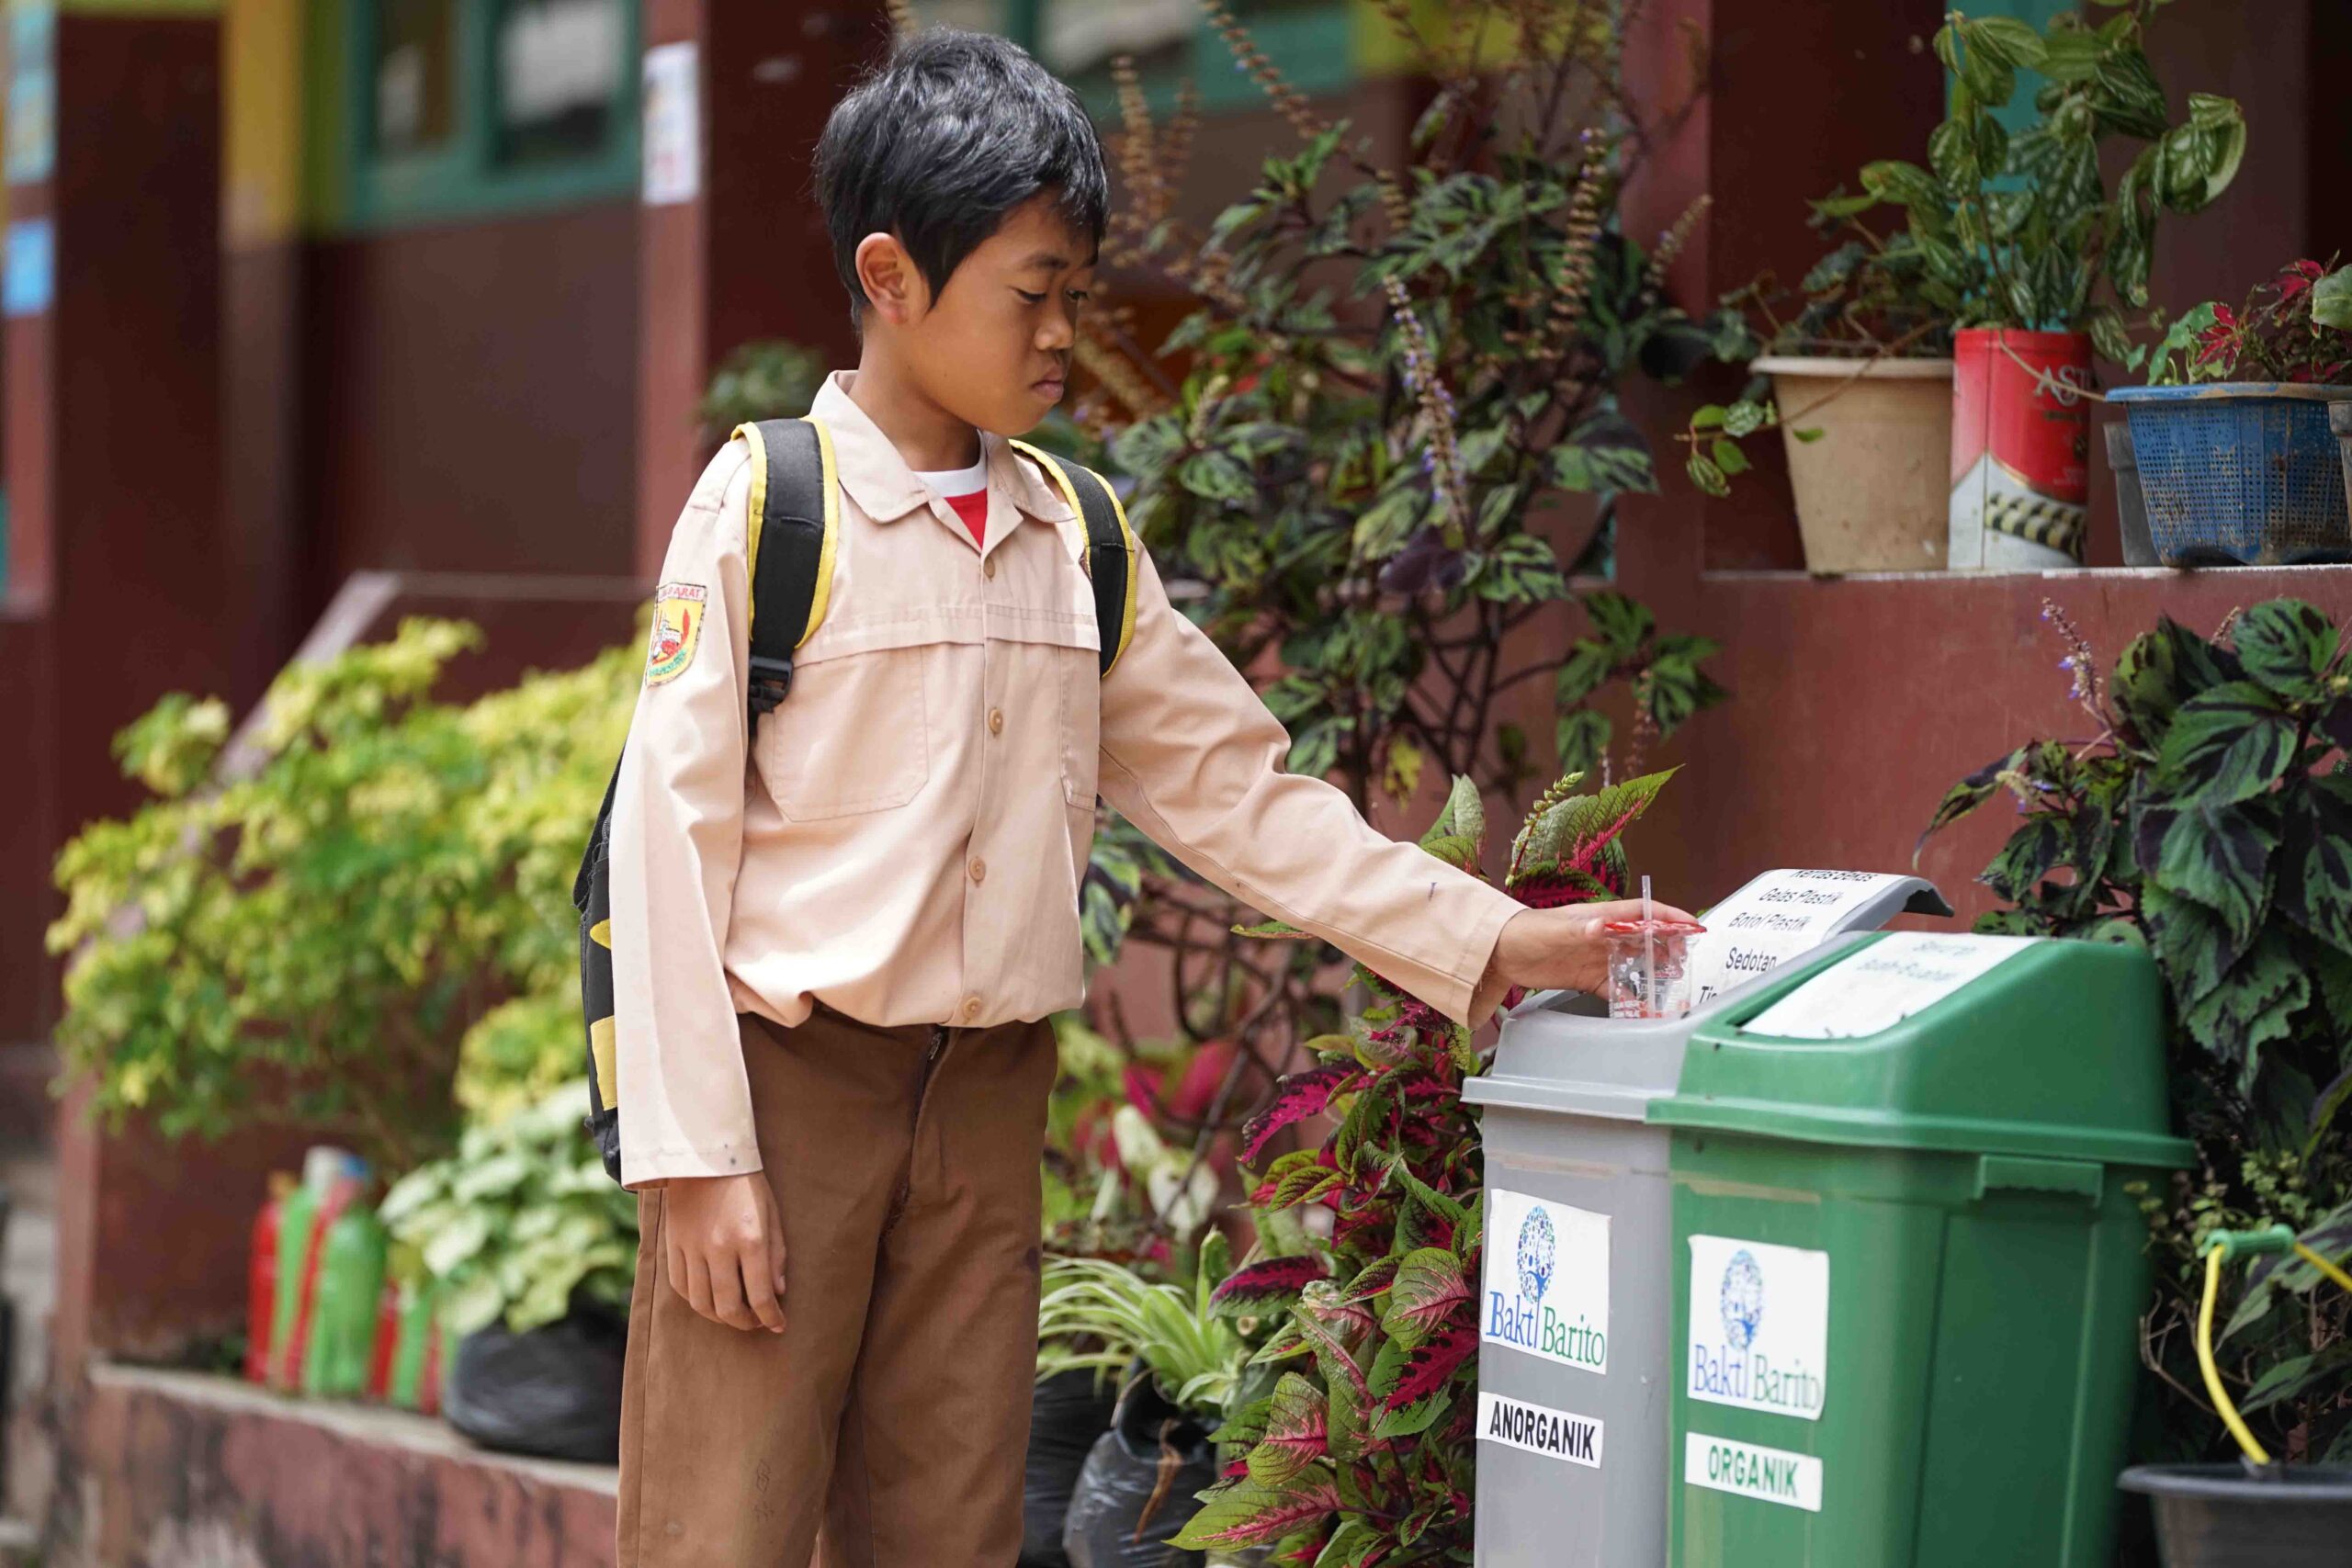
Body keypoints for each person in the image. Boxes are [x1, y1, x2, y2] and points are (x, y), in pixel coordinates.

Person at [609, 27, 1693, 1568]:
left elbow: (1250, 801)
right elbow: (663, 844)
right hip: (786, 1104)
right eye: (1032, 293)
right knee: (725, 1523)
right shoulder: (770, 509)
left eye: (1076, 293)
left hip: (981, 1106)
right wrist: (699, 1163)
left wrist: (1498, 943)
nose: (1065, 334)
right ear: (893, 277)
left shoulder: (1077, 539)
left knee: (953, 1530)